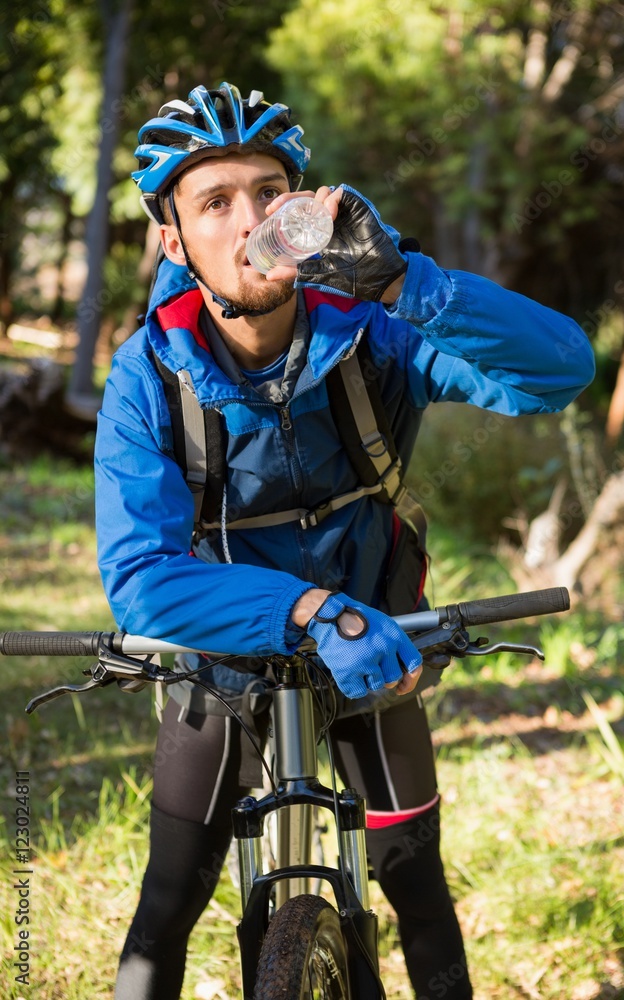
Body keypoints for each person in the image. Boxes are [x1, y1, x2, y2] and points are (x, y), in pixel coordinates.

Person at [95, 81, 595, 1000]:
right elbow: (141, 578)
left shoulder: (377, 334)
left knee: (417, 889)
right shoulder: (147, 376)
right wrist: (312, 610)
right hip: (223, 660)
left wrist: (407, 283)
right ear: (173, 239)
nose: (250, 221)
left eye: (269, 192)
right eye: (214, 202)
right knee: (166, 904)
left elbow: (559, 370)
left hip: (381, 652)